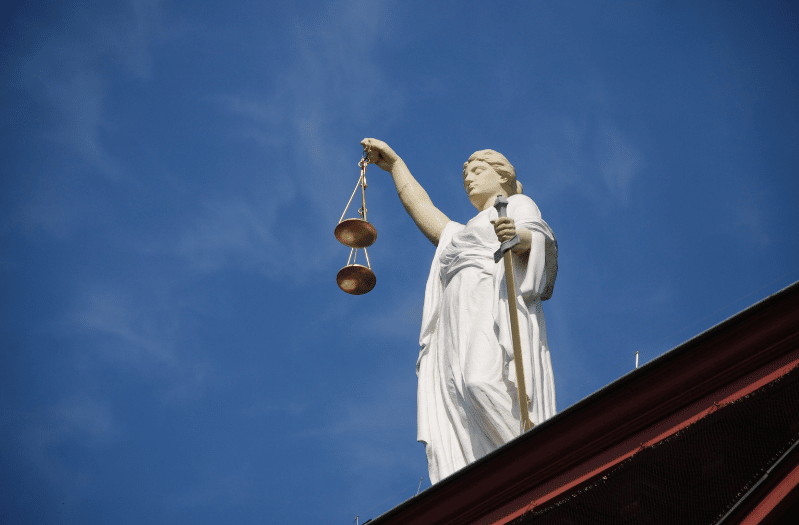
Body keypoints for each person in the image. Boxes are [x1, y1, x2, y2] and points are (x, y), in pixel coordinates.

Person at [361, 138, 558, 483]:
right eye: (465, 173)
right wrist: (395, 166)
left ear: (504, 176)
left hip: (489, 301)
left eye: (477, 170)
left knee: (480, 380)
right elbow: (423, 208)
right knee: (458, 396)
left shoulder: (515, 203)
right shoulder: (461, 232)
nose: (468, 178)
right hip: (453, 316)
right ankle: (486, 475)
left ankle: (532, 463)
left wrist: (518, 234)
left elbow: (540, 237)